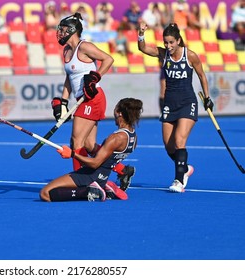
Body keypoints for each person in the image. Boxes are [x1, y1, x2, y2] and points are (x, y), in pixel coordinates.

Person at [52, 12, 135, 191]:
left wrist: (95, 77)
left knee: (76, 142)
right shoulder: (66, 50)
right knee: (89, 145)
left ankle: (79, 182)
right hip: (80, 100)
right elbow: (69, 77)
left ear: (73, 30)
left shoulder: (85, 47)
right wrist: (63, 102)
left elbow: (108, 59)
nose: (60, 32)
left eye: (64, 29)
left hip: (93, 98)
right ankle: (122, 170)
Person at [137, 22, 214, 192]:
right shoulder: (163, 54)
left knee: (179, 141)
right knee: (168, 145)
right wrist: (141, 33)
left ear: (178, 40)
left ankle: (179, 180)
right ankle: (185, 168)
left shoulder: (190, 56)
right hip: (169, 104)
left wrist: (207, 97)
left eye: (171, 42)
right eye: (166, 42)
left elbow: (202, 75)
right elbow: (143, 48)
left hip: (187, 102)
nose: (168, 46)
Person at [40, 98, 143, 202]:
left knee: (45, 193)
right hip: (102, 178)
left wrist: (72, 154)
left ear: (119, 113)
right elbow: (107, 159)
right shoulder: (133, 137)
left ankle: (88, 191)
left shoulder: (116, 138)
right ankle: (100, 188)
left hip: (90, 175)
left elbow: (95, 163)